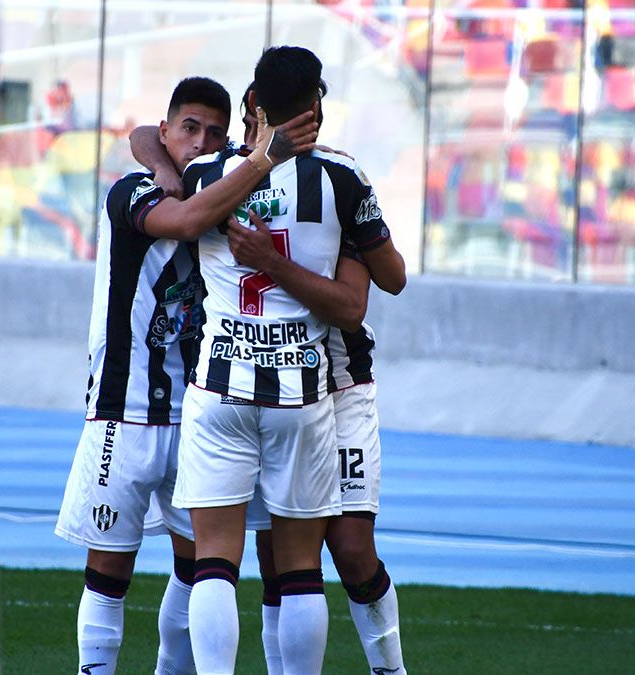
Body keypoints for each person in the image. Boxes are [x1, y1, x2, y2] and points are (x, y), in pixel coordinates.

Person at [54, 76, 317, 675]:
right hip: (122, 412)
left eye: (214, 133)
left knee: (199, 567)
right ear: (168, 129)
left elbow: (184, 152)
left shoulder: (225, 184)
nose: (200, 141)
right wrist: (167, 161)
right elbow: (182, 216)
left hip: (198, 411)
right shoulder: (132, 191)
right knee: (108, 570)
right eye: (189, 128)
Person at [168, 45, 390, 674]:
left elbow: (175, 196)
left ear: (254, 104)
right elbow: (378, 284)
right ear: (314, 105)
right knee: (298, 569)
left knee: (214, 561)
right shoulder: (342, 178)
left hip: (220, 385)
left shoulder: (206, 175)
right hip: (301, 394)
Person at [228, 84, 408, 675]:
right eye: (248, 121)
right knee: (274, 557)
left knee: (352, 551)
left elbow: (385, 283)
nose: (249, 133)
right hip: (263, 384)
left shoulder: (338, 179)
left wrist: (357, 220)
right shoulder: (227, 176)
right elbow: (148, 141)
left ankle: (390, 669)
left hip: (340, 386)